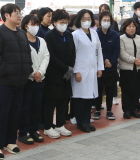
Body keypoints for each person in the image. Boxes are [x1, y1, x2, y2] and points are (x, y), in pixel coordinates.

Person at [0, 3, 32, 159]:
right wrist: (6, 72)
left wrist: (27, 70)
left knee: (14, 113)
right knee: (1, 114)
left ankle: (10, 141)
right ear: (6, 15)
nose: (19, 16)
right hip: (3, 83)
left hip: (20, 82)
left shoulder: (21, 33)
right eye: (16, 13)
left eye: (19, 13)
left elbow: (27, 55)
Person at [42, 9, 75, 138]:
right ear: (54, 22)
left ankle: (60, 124)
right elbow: (51, 55)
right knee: (51, 102)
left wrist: (70, 68)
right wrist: (64, 68)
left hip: (66, 75)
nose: (64, 24)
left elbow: (73, 52)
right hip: (53, 74)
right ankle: (48, 126)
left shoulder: (69, 35)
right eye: (61, 22)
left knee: (63, 100)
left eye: (66, 22)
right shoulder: (49, 36)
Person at [71, 9, 104, 132]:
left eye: (88, 19)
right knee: (80, 98)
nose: (86, 21)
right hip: (81, 70)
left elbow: (98, 51)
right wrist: (76, 71)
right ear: (79, 20)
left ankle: (87, 120)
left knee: (89, 97)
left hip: (92, 70)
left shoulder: (94, 33)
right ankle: (80, 122)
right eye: (84, 19)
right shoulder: (75, 35)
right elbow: (73, 54)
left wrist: (100, 67)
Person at [19, 14, 50, 143]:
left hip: (40, 79)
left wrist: (41, 72)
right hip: (28, 80)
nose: (36, 27)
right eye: (33, 24)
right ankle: (23, 132)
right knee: (25, 107)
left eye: (37, 24)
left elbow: (46, 57)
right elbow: (23, 60)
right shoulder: (21, 41)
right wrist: (33, 73)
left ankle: (34, 130)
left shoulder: (41, 41)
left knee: (37, 106)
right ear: (26, 26)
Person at [118, 18, 140, 119]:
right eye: (129, 26)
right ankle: (126, 110)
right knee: (126, 91)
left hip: (138, 68)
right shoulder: (121, 39)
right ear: (125, 28)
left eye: (133, 26)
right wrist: (134, 60)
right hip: (126, 69)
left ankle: (134, 109)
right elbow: (122, 53)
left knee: (136, 90)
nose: (131, 28)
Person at [93, 11, 120, 120]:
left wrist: (111, 61)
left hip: (111, 67)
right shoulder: (95, 34)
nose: (106, 22)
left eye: (108, 20)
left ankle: (109, 110)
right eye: (104, 20)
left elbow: (116, 50)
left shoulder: (115, 35)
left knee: (110, 90)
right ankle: (97, 110)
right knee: (98, 90)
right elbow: (95, 50)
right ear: (100, 21)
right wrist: (104, 60)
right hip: (99, 67)